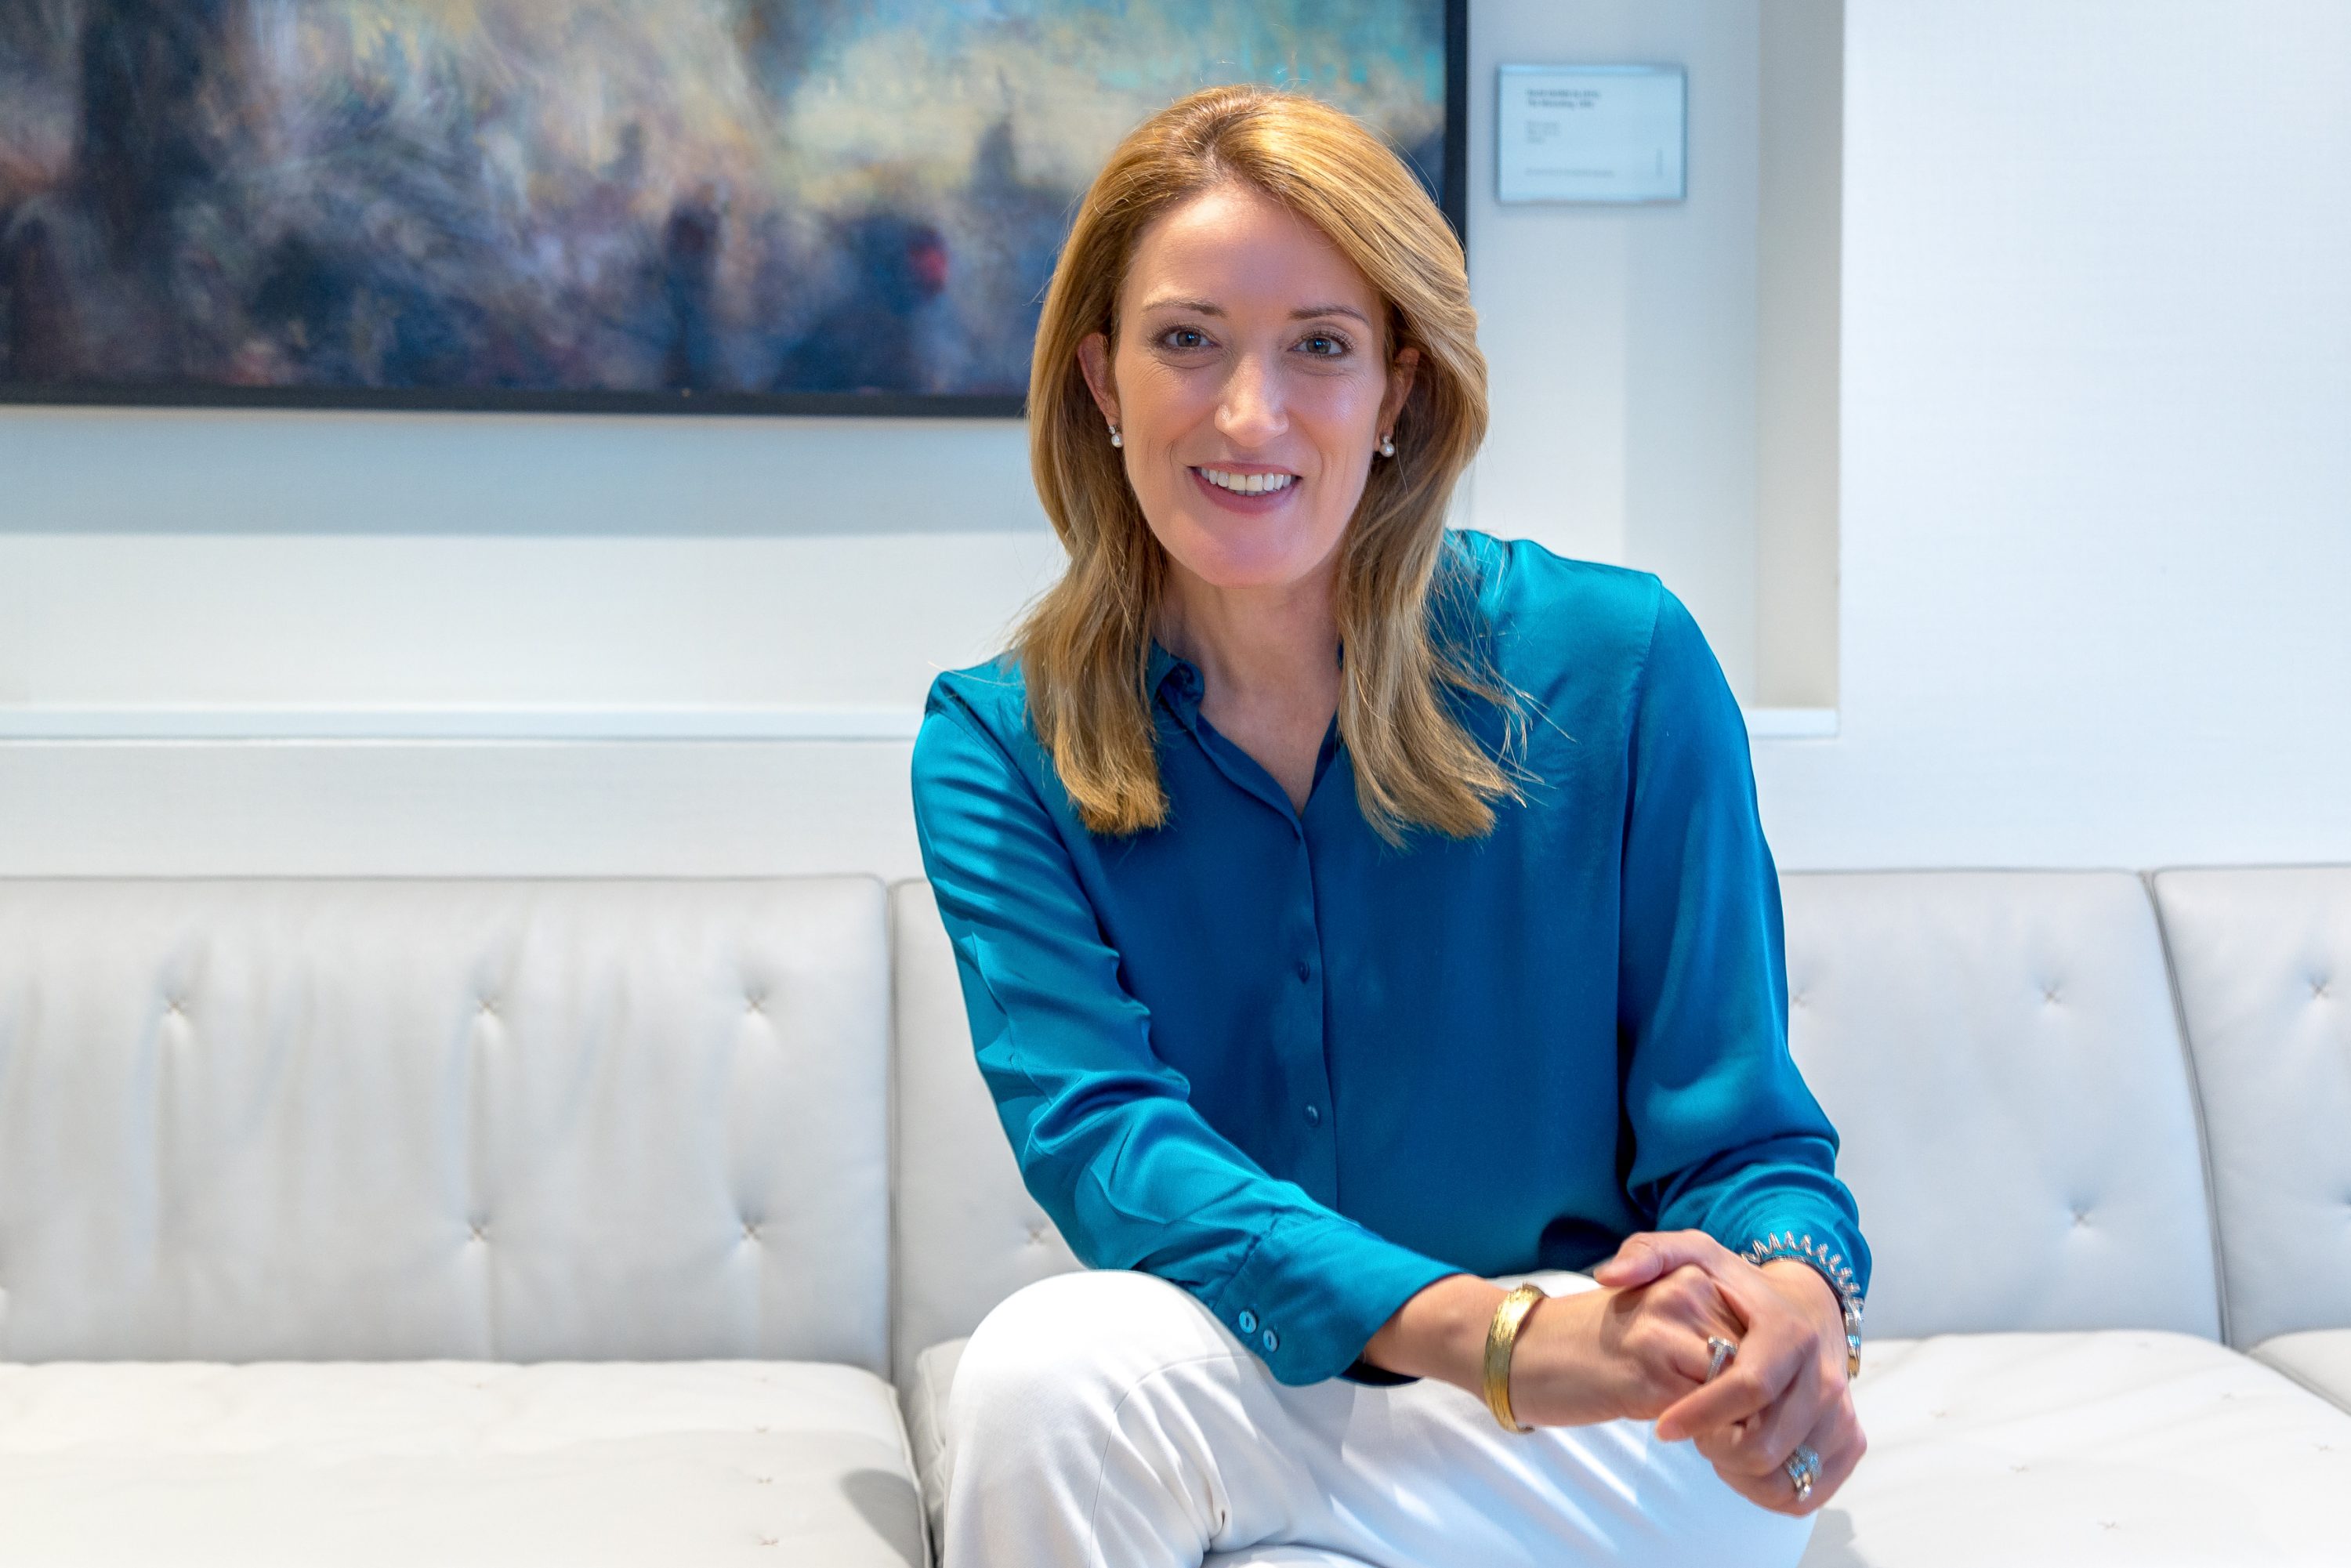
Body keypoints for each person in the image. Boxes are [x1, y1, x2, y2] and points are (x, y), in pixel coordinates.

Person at [908, 84, 1869, 1568]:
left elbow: (1742, 1136)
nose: (1251, 414)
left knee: (1704, 1430)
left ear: (1398, 391)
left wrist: (1791, 1298)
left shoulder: (1623, 665)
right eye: (1187, 340)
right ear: (1101, 379)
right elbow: (1110, 1149)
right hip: (1249, 1374)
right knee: (1038, 1379)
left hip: (1586, 1409)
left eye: (1320, 346)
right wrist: (1487, 1336)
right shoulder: (997, 745)